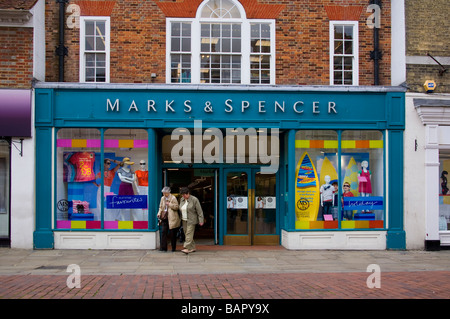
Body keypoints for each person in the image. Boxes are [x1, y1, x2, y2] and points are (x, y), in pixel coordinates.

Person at [179, 187, 204, 254]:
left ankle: (187, 248)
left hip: (192, 220)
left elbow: (199, 211)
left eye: (184, 195)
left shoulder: (194, 199)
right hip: (184, 219)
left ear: (188, 193)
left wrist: (201, 220)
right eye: (182, 195)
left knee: (188, 234)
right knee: (187, 233)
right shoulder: (182, 199)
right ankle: (192, 248)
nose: (183, 196)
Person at [157, 186, 180, 252]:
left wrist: (169, 204)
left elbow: (176, 207)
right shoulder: (162, 198)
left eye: (165, 193)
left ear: (168, 192)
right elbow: (160, 207)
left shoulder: (173, 198)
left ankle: (173, 248)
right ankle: (163, 248)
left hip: (172, 217)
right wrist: (159, 213)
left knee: (173, 233)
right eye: (163, 193)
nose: (164, 194)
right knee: (164, 232)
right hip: (164, 217)